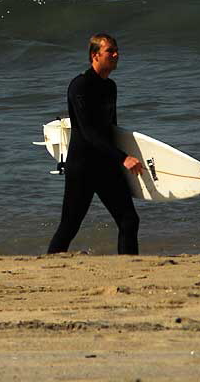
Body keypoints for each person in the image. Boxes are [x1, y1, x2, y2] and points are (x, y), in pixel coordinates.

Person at [47, 33, 142, 255]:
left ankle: (129, 268)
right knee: (70, 225)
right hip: (82, 167)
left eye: (117, 50)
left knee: (129, 220)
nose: (116, 54)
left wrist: (126, 159)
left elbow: (112, 129)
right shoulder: (80, 86)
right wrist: (123, 158)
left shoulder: (110, 87)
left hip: (106, 164)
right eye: (110, 51)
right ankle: (49, 265)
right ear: (94, 55)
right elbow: (89, 132)